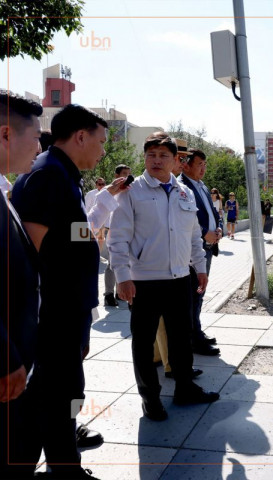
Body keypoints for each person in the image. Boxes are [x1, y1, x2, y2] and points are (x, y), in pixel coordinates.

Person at [12, 104, 108, 479]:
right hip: (51, 321)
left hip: (69, 317)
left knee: (67, 397)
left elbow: (68, 233)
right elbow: (29, 257)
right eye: (99, 142)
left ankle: (65, 463)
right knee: (49, 401)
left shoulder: (64, 175)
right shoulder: (48, 175)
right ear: (80, 137)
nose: (102, 151)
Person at [109, 132, 219, 422]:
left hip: (180, 278)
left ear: (175, 161)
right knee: (143, 343)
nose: (156, 160)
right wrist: (122, 276)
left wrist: (201, 268)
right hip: (144, 281)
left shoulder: (184, 192)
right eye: (151, 155)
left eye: (163, 156)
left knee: (181, 339)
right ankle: (151, 398)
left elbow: (194, 235)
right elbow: (117, 239)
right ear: (144, 158)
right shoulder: (131, 192)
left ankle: (185, 388)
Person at [0, 90, 42, 480]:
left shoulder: (4, 190)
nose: (39, 147)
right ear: (5, 135)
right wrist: (6, 358)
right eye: (36, 137)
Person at [179, 149, 221, 356]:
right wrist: (205, 233)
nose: (203, 168)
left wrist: (218, 227)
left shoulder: (201, 186)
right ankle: (194, 339)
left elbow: (213, 212)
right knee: (194, 295)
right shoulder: (182, 186)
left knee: (200, 293)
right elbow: (186, 221)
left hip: (208, 247)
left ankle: (197, 331)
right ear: (185, 165)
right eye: (200, 164)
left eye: (205, 164)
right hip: (195, 249)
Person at [102, 164, 132, 306]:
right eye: (123, 174)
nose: (126, 177)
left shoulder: (129, 191)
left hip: (124, 231)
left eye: (128, 174)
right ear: (116, 175)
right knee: (111, 264)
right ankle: (108, 294)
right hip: (106, 231)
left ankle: (119, 292)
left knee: (126, 262)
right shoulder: (107, 191)